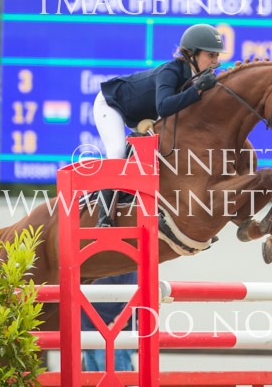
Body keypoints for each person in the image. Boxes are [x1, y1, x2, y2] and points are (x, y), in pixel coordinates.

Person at [93, 23, 224, 226]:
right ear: (191, 54)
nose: (215, 62)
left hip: (143, 114)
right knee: (117, 152)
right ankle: (104, 218)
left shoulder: (197, 79)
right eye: (210, 55)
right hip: (112, 104)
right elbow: (164, 107)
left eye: (216, 56)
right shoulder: (171, 71)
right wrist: (197, 89)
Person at [80, 271, 138, 373]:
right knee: (94, 379)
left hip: (114, 335)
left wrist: (117, 325)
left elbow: (135, 298)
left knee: (112, 377)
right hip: (90, 334)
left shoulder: (127, 267)